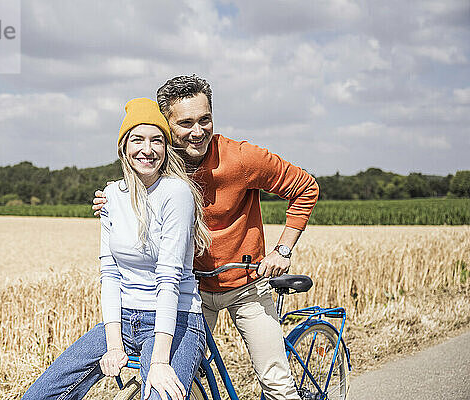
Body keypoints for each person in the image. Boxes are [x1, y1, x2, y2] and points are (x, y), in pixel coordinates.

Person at [93, 76, 319, 400]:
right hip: (194, 292)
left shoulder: (242, 158)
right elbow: (131, 188)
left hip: (247, 285)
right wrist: (111, 200)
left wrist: (282, 249)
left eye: (205, 119)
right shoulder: (160, 165)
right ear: (166, 125)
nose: (197, 131)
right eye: (185, 123)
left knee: (276, 384)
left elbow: (305, 187)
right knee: (176, 374)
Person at [23, 98, 211, 400]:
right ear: (124, 147)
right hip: (123, 319)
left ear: (166, 149)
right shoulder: (111, 195)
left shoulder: (175, 193)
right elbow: (109, 274)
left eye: (157, 141)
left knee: (160, 394)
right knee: (39, 395)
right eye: (137, 139)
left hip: (175, 319)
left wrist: (160, 362)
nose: (147, 150)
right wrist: (113, 345)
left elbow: (168, 279)